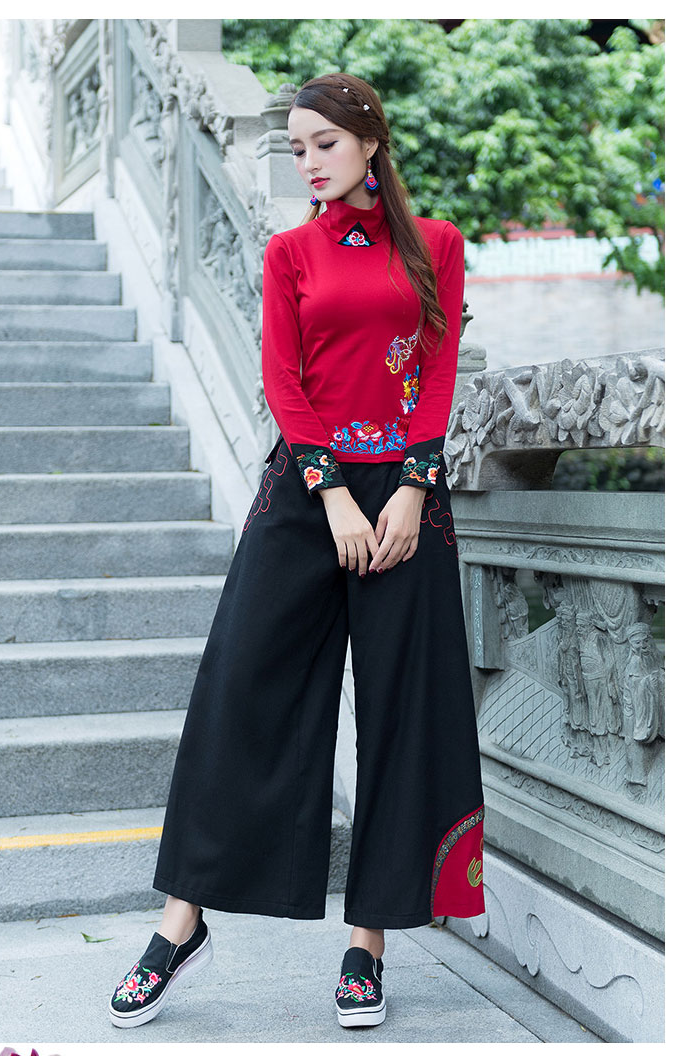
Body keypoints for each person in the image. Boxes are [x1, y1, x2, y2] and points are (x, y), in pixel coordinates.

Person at [108, 71, 485, 1032]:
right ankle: (180, 923)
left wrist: (412, 488)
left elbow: (438, 371)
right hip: (305, 496)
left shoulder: (437, 246)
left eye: (324, 143)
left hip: (408, 505)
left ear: (370, 143)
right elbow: (284, 380)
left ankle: (368, 947)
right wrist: (332, 495)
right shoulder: (289, 253)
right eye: (298, 146)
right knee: (240, 694)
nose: (308, 161)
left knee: (402, 714)